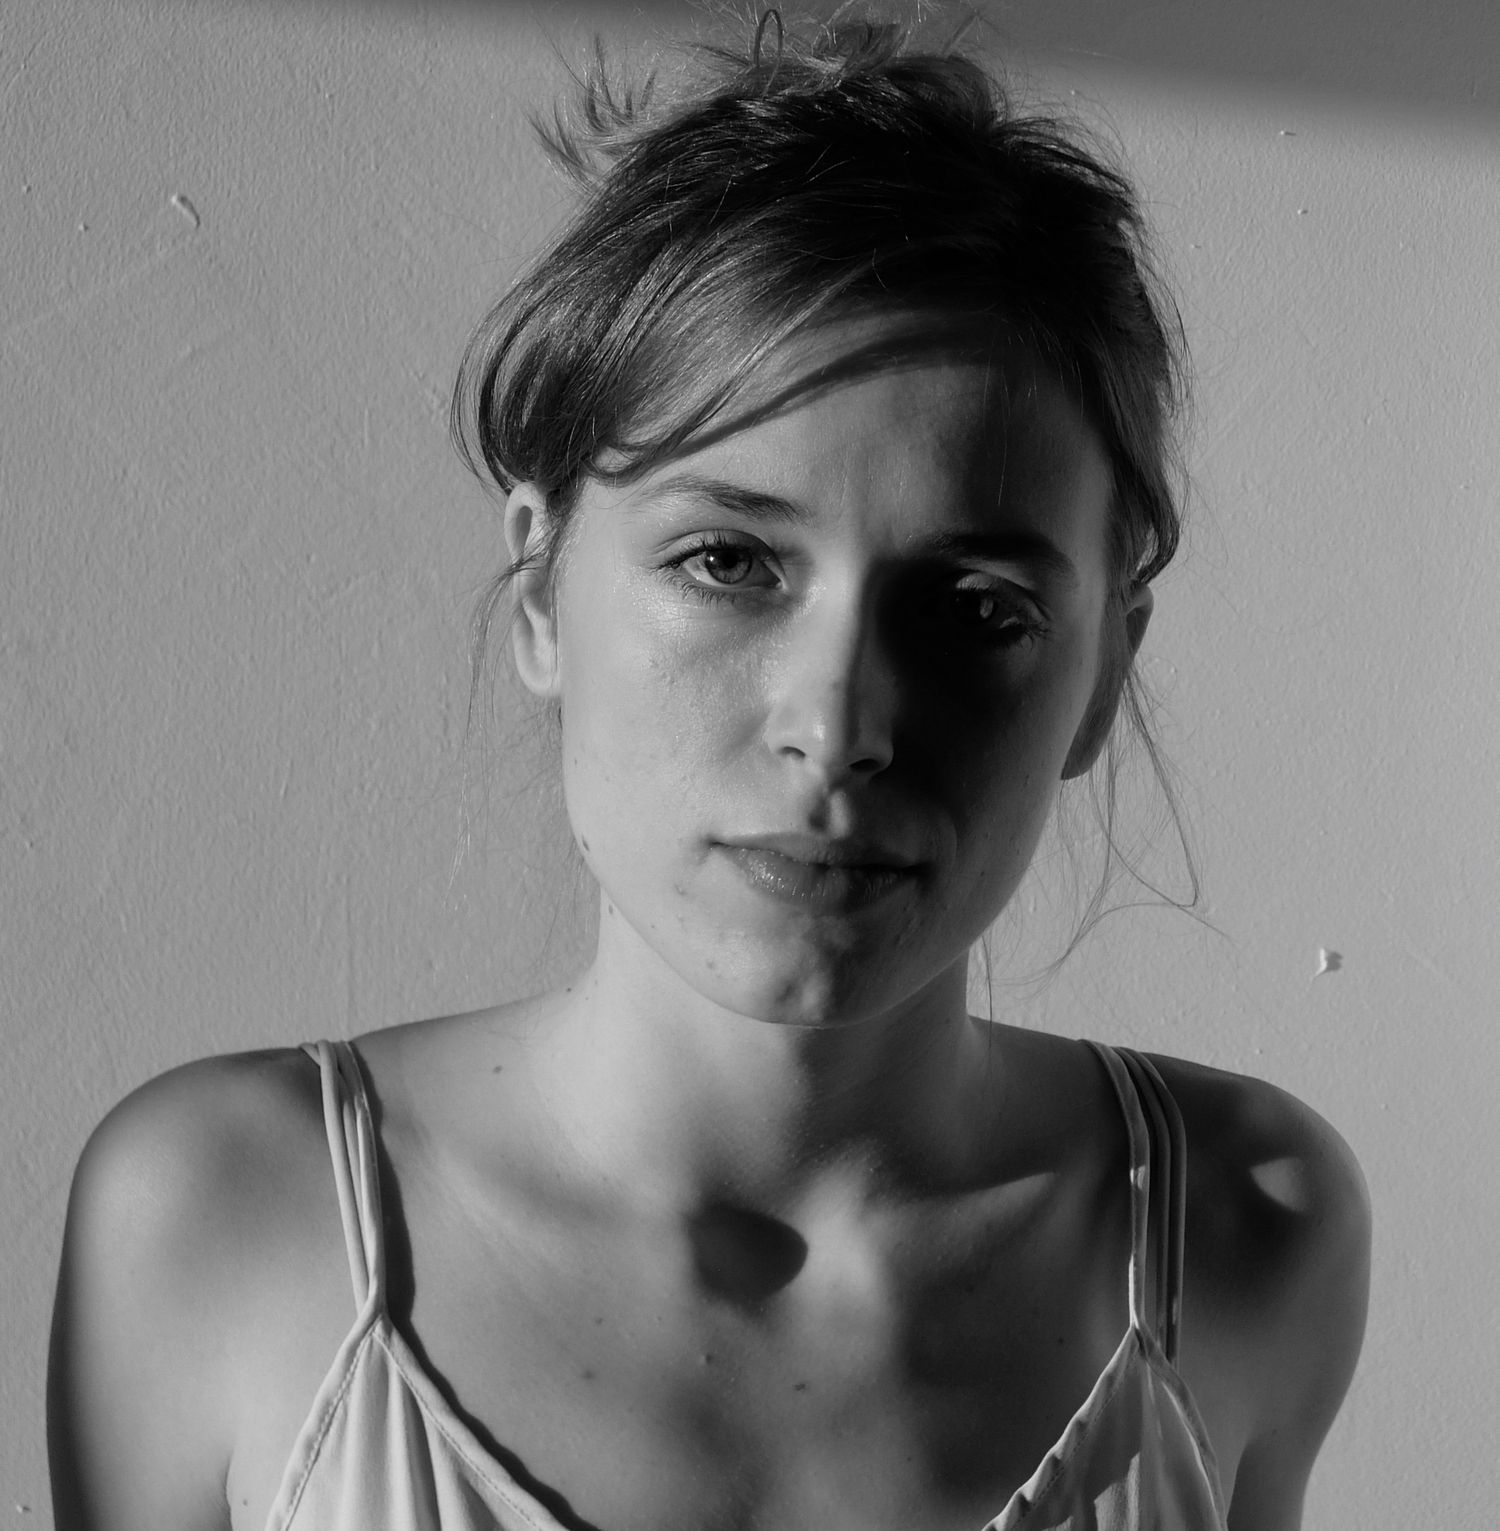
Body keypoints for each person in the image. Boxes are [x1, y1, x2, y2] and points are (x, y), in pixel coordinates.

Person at [47, 11, 1370, 1530]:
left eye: (976, 610)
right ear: (542, 593)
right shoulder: (222, 1220)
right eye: (728, 561)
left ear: (1104, 672)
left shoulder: (1251, 1226)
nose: (842, 723)